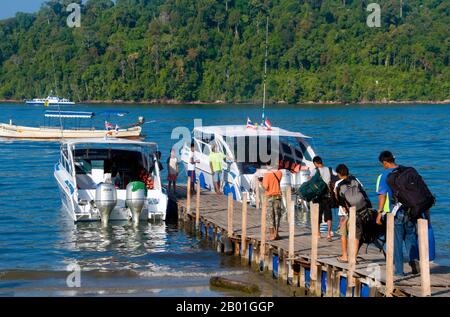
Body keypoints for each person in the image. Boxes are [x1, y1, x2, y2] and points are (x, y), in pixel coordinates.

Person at [376, 151, 419, 276]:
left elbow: (382, 196)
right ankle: (415, 266)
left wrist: (379, 213)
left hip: (394, 212)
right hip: (410, 210)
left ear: (385, 162)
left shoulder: (383, 175)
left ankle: (400, 271)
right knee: (410, 239)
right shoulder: (406, 171)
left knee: (396, 242)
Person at [334, 164, 369, 263]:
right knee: (356, 235)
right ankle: (353, 257)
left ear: (339, 174)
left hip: (346, 213)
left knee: (344, 234)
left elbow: (338, 199)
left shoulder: (338, 184)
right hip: (360, 211)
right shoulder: (355, 180)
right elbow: (363, 192)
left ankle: (345, 256)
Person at [310, 156, 337, 242]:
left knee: (318, 215)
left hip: (318, 196)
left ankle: (318, 234)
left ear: (315, 163)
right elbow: (336, 177)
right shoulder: (329, 169)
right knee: (329, 215)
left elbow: (310, 181)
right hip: (328, 195)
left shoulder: (315, 170)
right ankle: (329, 234)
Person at [261, 162, 283, 241]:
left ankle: (271, 235)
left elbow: (266, 187)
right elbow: (277, 181)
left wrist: (261, 183)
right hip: (278, 196)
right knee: (277, 215)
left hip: (269, 197)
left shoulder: (267, 175)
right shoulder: (279, 173)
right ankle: (276, 233)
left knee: (270, 216)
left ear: (268, 165)